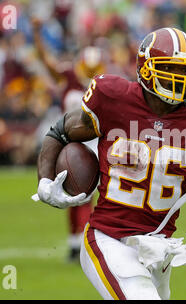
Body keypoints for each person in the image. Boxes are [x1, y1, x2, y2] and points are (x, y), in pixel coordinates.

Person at [32, 28, 186, 300]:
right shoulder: (114, 99)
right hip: (109, 239)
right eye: (171, 68)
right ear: (146, 68)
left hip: (159, 250)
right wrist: (44, 180)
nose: (180, 78)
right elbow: (60, 131)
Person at [32, 18, 106, 261]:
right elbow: (45, 61)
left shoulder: (104, 85)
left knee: (84, 194)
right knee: (69, 191)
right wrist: (37, 32)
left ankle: (82, 244)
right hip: (66, 141)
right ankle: (75, 244)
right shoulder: (69, 76)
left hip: (92, 144)